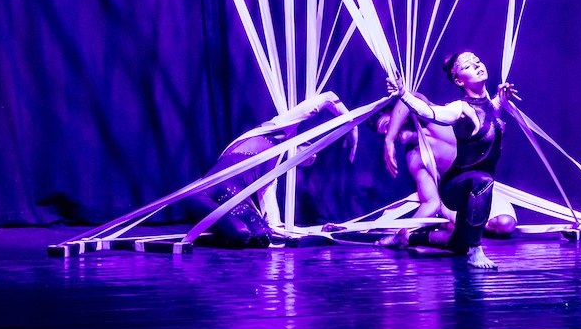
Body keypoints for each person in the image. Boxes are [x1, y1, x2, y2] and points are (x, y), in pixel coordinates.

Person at [387, 51, 517, 269]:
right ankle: (476, 251)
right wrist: (403, 94)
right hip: (456, 187)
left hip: (478, 189)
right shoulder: (460, 108)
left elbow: (493, 110)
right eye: (467, 66)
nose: (476, 65)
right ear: (458, 80)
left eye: (477, 61)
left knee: (458, 244)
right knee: (482, 179)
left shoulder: (492, 105)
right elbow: (430, 112)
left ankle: (407, 238)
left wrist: (502, 98)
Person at [189, 92, 357, 247]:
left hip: (232, 200)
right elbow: (327, 97)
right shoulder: (275, 131)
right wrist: (352, 122)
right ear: (302, 141)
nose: (308, 158)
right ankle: (219, 226)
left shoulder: (270, 176)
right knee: (244, 234)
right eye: (309, 152)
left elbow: (276, 226)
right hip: (204, 191)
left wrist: (317, 231)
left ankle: (221, 228)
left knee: (260, 236)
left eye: (308, 161)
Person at [369, 98, 516, 246]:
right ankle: (459, 228)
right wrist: (401, 232)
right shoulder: (414, 158)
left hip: (480, 186)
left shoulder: (435, 118)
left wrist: (389, 139)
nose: (390, 133)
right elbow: (431, 203)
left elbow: (407, 98)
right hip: (455, 200)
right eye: (384, 134)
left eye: (388, 126)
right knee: (487, 225)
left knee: (505, 224)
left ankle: (457, 228)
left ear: (402, 119)